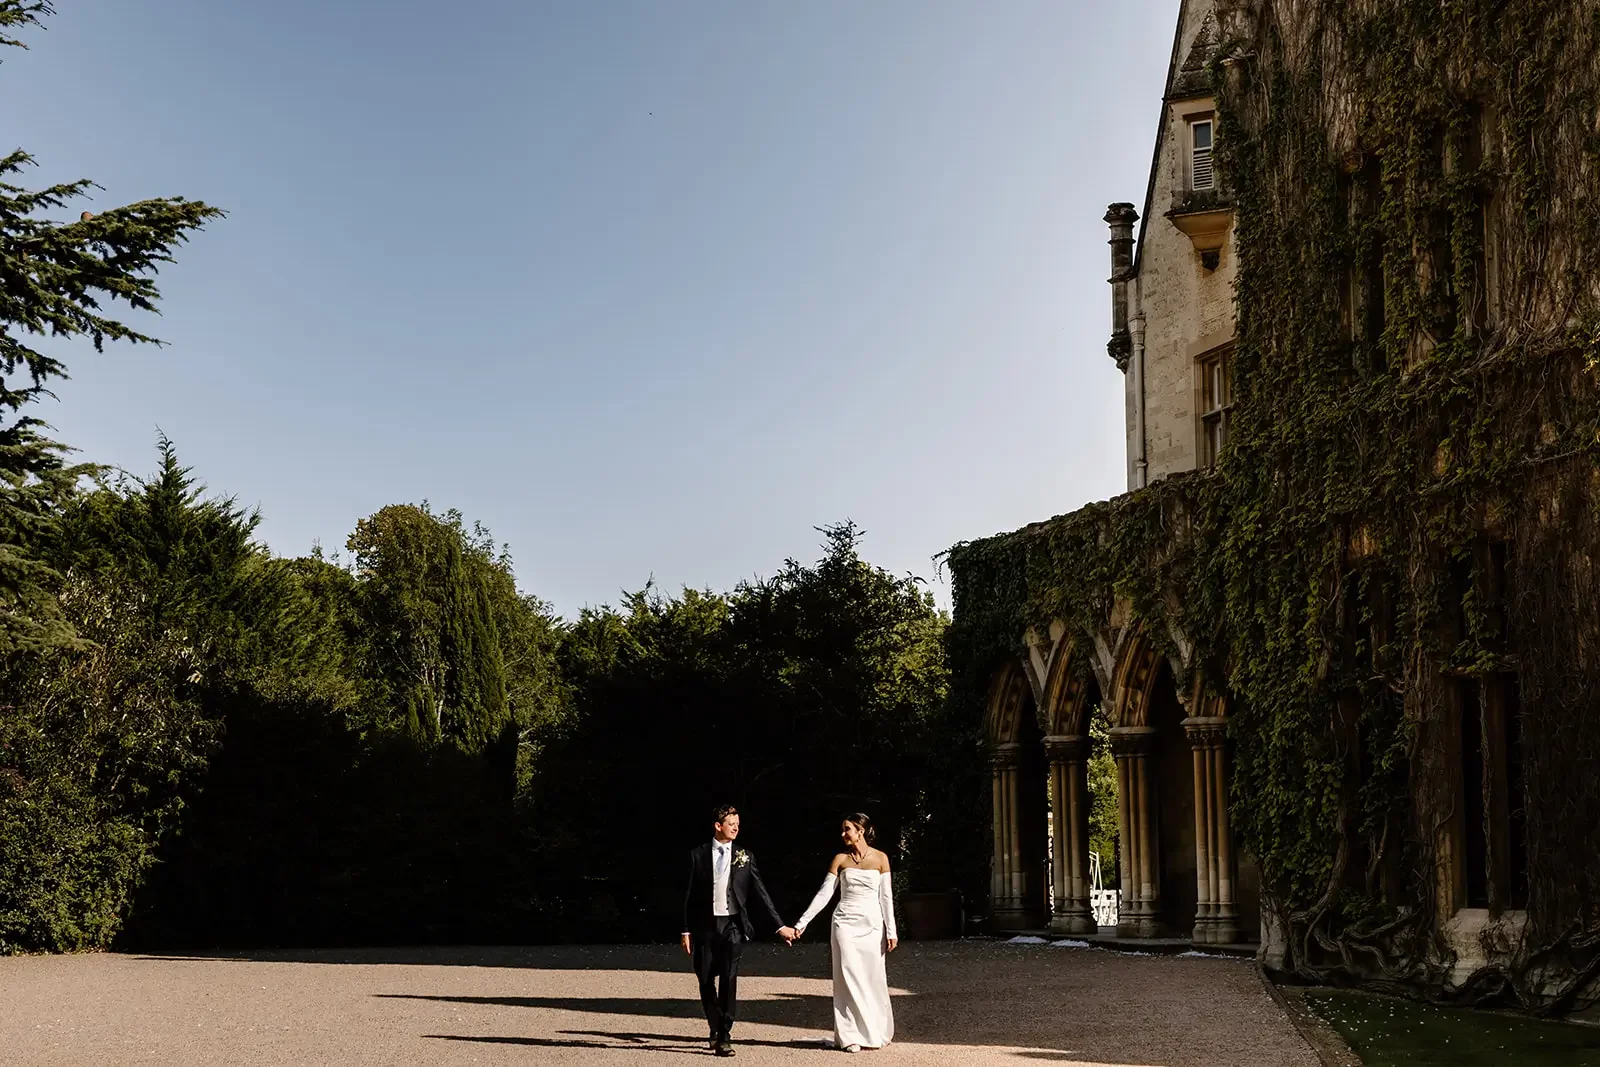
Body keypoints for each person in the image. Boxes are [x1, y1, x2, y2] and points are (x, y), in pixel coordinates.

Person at [682, 805, 797, 1057]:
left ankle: (724, 1034)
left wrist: (780, 927)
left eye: (738, 823)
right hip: (705, 926)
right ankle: (714, 1023)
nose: (736, 827)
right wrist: (685, 930)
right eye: (731, 822)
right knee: (704, 979)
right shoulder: (697, 855)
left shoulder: (745, 855)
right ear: (717, 825)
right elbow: (687, 895)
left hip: (733, 925)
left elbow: (761, 892)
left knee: (729, 978)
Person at [793, 813, 897, 1052]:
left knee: (872, 977)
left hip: (871, 925)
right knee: (847, 975)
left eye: (847, 829)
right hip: (844, 923)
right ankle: (849, 1035)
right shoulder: (840, 859)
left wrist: (891, 930)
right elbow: (824, 894)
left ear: (861, 831)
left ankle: (873, 1030)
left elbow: (886, 898)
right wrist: (802, 922)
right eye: (842, 829)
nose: (843, 834)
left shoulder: (881, 859)